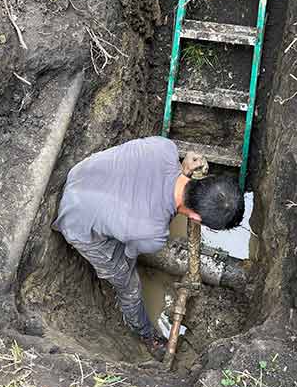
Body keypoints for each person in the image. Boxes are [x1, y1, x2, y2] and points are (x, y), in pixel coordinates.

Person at [52, 136, 244, 360]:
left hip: (82, 174)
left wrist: (182, 172)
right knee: (128, 282)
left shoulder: (164, 147)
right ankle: (144, 333)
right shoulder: (152, 234)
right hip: (76, 223)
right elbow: (129, 252)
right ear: (196, 218)